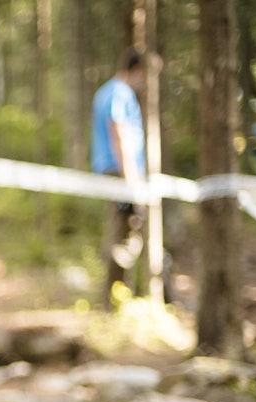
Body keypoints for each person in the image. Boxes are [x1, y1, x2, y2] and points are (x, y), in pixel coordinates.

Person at [91, 47, 147, 308]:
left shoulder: (107, 91)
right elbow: (118, 133)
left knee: (122, 233)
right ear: (137, 70)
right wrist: (131, 181)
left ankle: (115, 299)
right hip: (120, 173)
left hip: (117, 172)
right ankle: (113, 302)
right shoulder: (118, 92)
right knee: (123, 237)